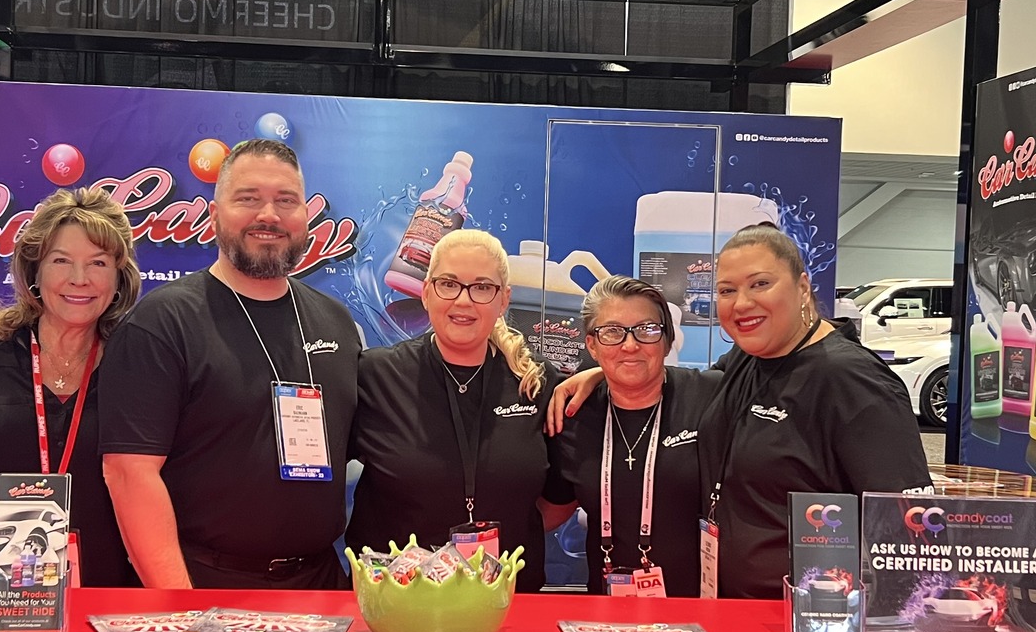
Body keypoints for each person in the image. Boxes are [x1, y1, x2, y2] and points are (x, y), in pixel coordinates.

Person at [551, 224, 929, 600]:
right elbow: (662, 375)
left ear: (802, 287)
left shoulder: (851, 380)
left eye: (760, 284)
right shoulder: (750, 360)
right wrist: (608, 371)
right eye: (727, 290)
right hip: (730, 613)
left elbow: (907, 532)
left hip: (802, 619)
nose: (742, 303)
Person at [99, 138, 359, 588]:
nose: (269, 215)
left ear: (306, 217)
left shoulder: (335, 321)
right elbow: (128, 474)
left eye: (286, 201)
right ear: (215, 216)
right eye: (248, 198)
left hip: (321, 585)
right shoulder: (162, 322)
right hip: (204, 586)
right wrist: (179, 607)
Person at [0, 187, 141, 586]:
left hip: (111, 591)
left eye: (99, 263)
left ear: (119, 278)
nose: (80, 279)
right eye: (61, 261)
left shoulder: (141, 362)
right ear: (34, 271)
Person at [347, 229, 560, 588]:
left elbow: (559, 498)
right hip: (398, 601)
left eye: (482, 288)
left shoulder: (536, 382)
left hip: (508, 599)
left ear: (503, 299)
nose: (463, 301)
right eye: (448, 284)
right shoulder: (375, 374)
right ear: (427, 292)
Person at [543, 275, 720, 597]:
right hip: (607, 609)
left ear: (668, 341)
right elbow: (556, 506)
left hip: (700, 609)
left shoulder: (711, 396)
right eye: (612, 332)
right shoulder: (573, 417)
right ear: (592, 345)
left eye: (647, 330)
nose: (630, 344)